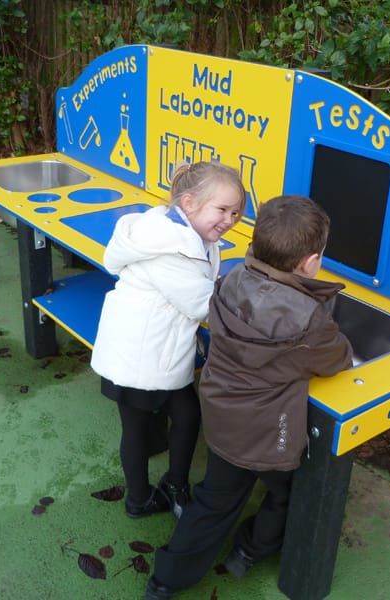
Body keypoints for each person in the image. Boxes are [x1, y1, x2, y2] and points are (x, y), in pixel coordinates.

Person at [145, 194, 354, 599]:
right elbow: (338, 359)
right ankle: (249, 549)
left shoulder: (234, 277)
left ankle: (164, 580)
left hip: (221, 414)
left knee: (214, 499)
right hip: (268, 433)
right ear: (311, 262)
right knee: (288, 492)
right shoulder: (309, 318)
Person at [90, 160, 246, 520]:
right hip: (140, 357)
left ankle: (174, 485)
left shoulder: (178, 231)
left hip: (149, 348)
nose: (230, 220)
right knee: (139, 429)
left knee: (184, 414)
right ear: (189, 203)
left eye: (236, 212)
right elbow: (202, 305)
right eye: (222, 210)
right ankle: (141, 499)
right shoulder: (173, 250)